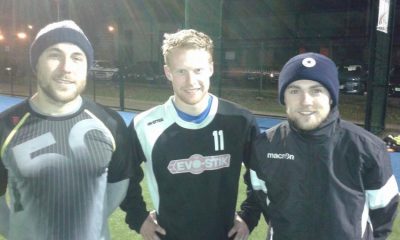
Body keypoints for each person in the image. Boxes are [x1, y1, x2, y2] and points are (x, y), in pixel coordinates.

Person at [120, 29, 261, 240]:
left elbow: (259, 176)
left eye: (198, 70)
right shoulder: (145, 125)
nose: (190, 80)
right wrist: (138, 218)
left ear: (211, 68)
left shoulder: (240, 121)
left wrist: (249, 216)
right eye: (181, 71)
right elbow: (123, 176)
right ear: (168, 72)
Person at [0, 20, 133, 240]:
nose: (66, 67)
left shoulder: (111, 123)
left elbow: (118, 185)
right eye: (54, 55)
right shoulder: (5, 126)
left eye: (77, 57)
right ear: (36, 64)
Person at [249, 52, 399, 239]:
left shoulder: (368, 148)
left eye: (316, 90)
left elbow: (383, 211)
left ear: (331, 96)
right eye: (295, 90)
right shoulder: (265, 146)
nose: (306, 101)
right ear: (283, 97)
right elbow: (261, 198)